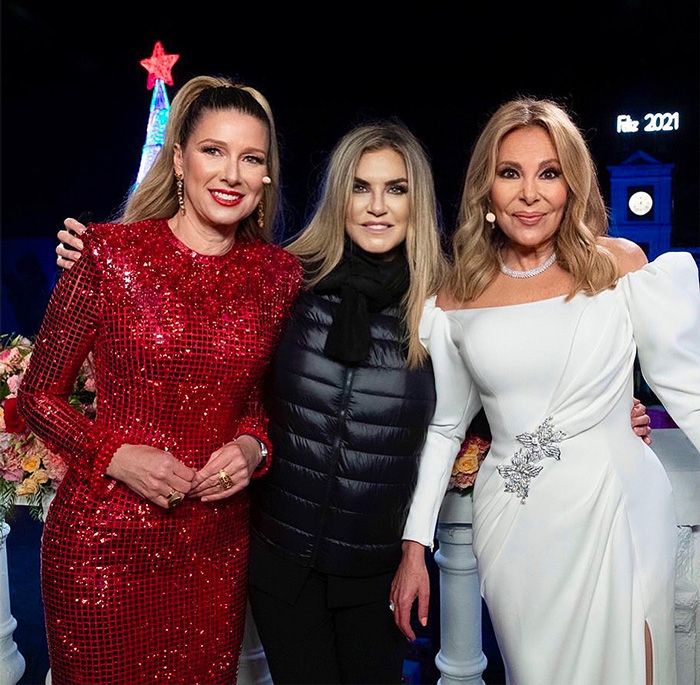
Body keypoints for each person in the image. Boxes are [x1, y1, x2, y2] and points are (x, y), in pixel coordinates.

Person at [55, 120, 653, 685]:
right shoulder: (286, 282)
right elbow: (199, 316)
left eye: (395, 189)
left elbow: (501, 393)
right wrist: (106, 254)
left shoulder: (443, 306)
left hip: (376, 572)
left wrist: (602, 417)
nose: (376, 205)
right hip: (281, 562)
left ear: (415, 203)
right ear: (339, 199)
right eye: (361, 188)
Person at [392, 97, 700, 685]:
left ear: (571, 186)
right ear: (487, 189)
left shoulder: (619, 267)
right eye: (511, 173)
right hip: (515, 528)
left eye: (549, 172)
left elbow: (691, 389)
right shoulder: (456, 299)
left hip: (620, 511)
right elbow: (446, 427)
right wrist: (414, 544)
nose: (529, 193)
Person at [18, 74, 302, 684]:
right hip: (102, 546)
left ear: (266, 175)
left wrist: (253, 447)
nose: (231, 173)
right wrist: (113, 453)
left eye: (250, 158)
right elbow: (37, 394)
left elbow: (259, 400)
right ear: (178, 159)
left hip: (213, 552)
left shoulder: (278, 277)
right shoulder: (108, 255)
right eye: (212, 150)